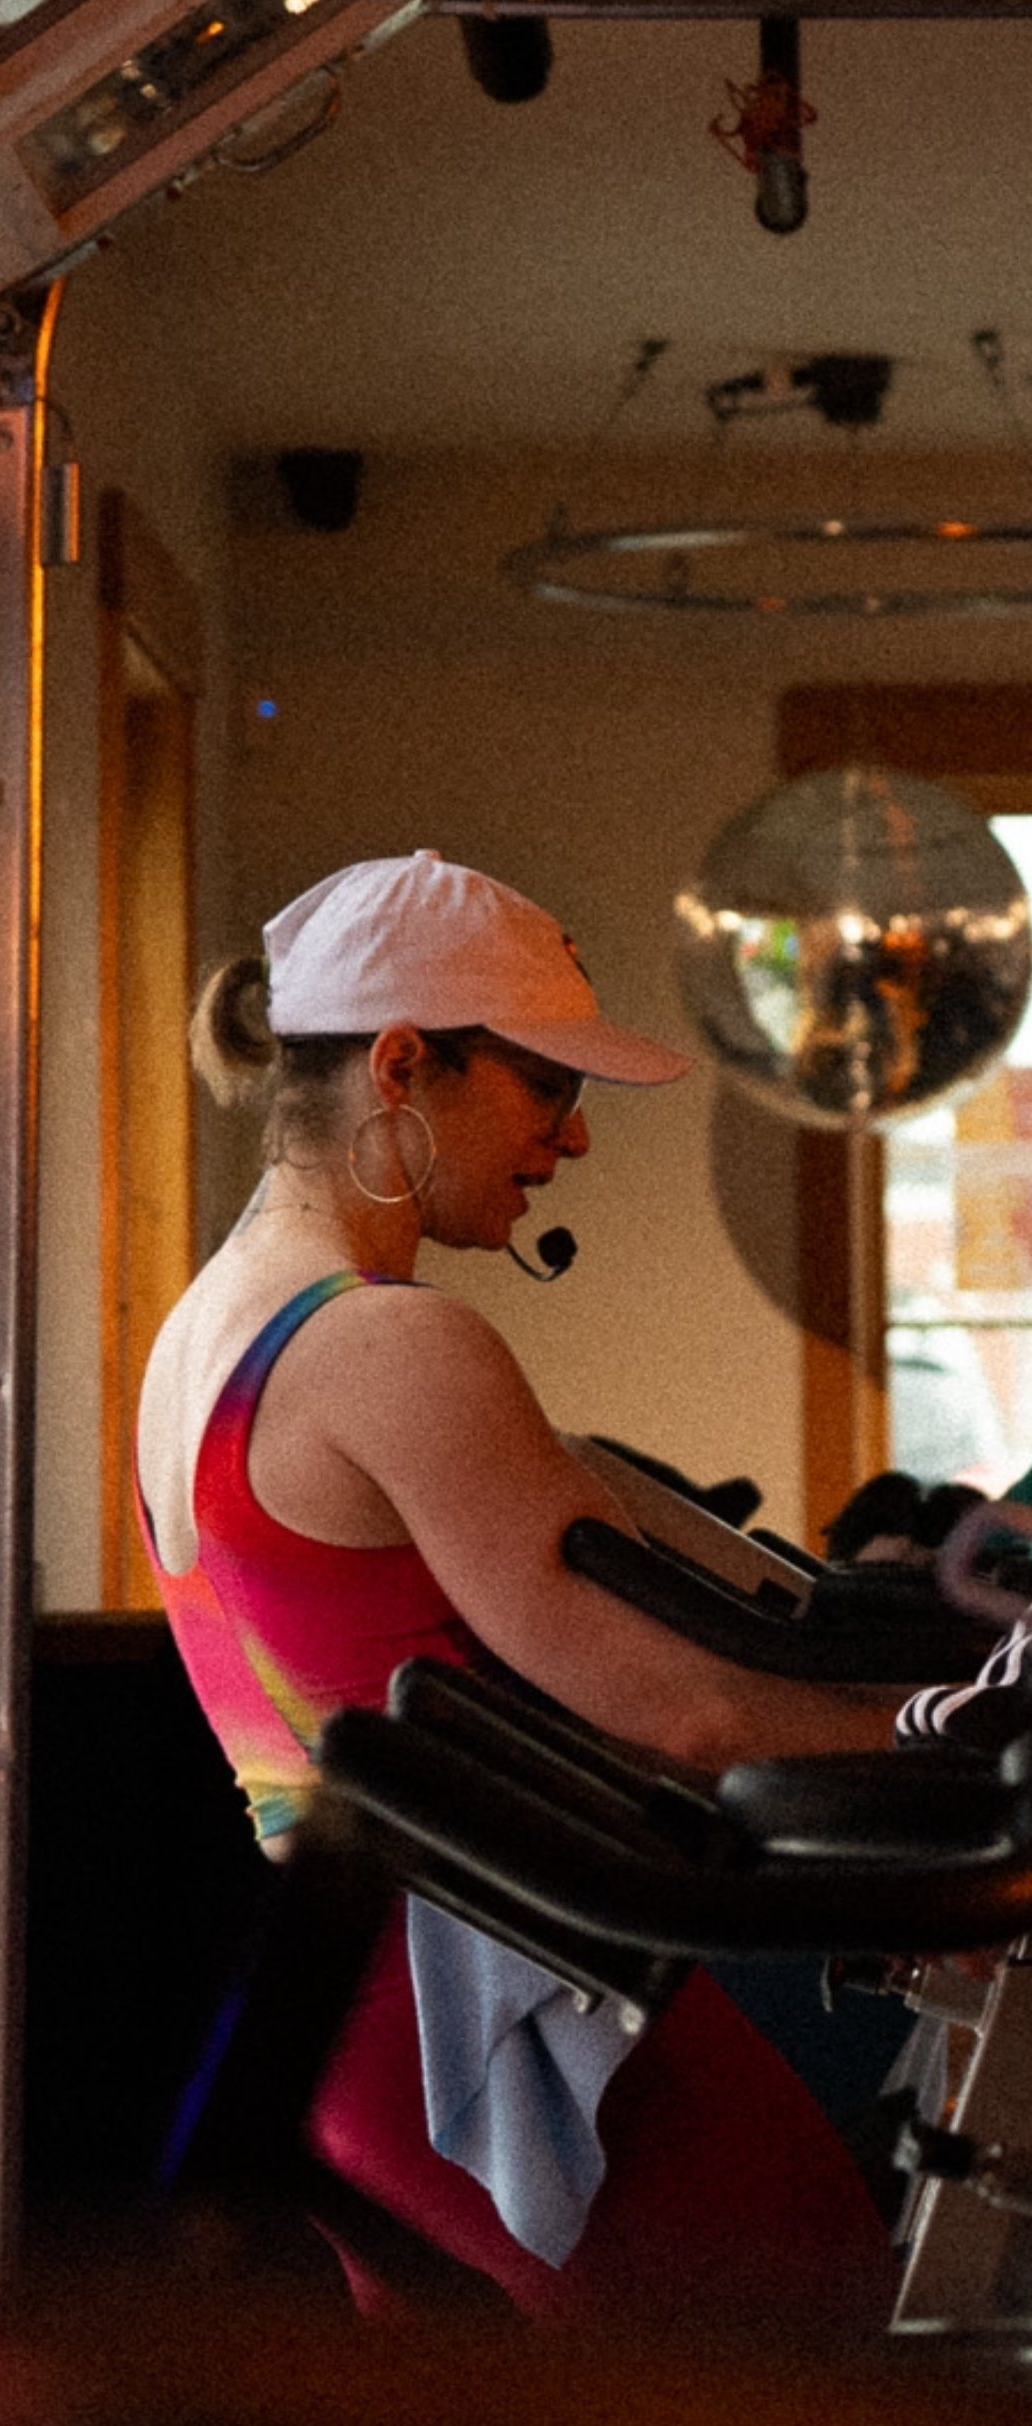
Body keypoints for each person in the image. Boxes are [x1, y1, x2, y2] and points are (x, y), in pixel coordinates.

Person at [136, 848, 899, 2333]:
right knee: (820, 2343)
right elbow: (680, 1716)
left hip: (338, 2001)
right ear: (402, 1065)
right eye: (548, 1087)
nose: (574, 1138)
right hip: (477, 2005)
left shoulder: (203, 1330)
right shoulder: (387, 1345)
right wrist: (945, 1742)